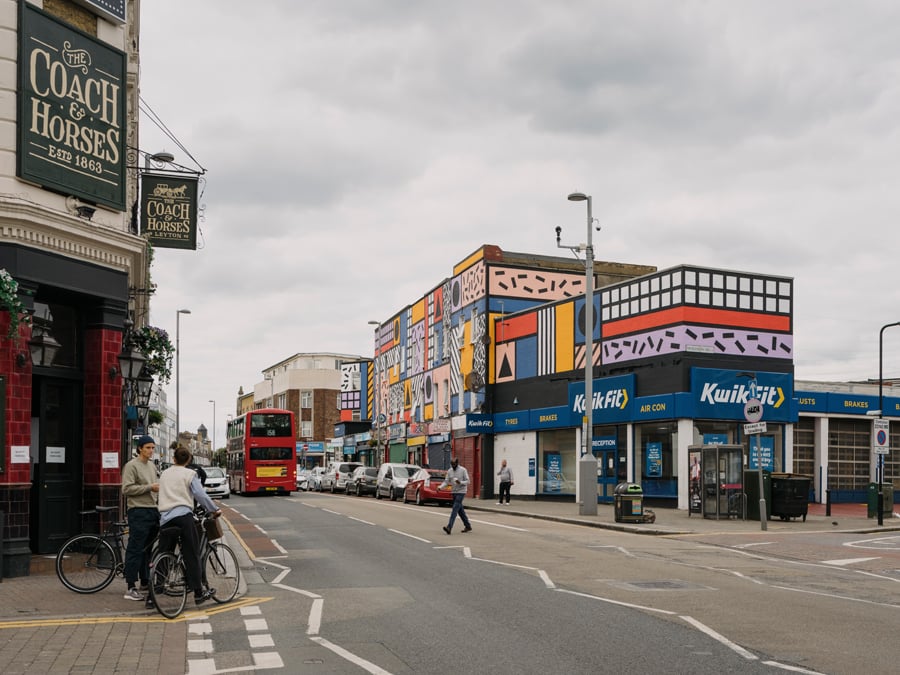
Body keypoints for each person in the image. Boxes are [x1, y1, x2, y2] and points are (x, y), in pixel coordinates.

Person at [157, 445, 222, 605]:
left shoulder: (164, 473)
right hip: (183, 517)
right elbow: (200, 495)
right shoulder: (190, 474)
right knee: (191, 553)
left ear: (173, 459)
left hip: (165, 518)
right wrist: (214, 509)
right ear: (188, 460)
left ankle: (156, 588)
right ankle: (199, 593)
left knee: (163, 552)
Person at [121, 435, 159, 603]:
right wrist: (149, 487)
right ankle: (130, 586)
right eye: (148, 448)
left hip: (152, 510)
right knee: (135, 548)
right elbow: (127, 489)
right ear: (140, 449)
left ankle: (145, 581)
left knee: (148, 549)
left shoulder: (151, 466)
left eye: (152, 448)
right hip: (138, 511)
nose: (151, 451)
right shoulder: (131, 466)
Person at [439, 457, 472, 535]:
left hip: (461, 492)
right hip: (454, 492)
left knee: (455, 509)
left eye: (454, 464)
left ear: (457, 463)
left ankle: (449, 527)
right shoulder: (449, 471)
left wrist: (460, 482)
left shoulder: (463, 470)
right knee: (460, 511)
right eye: (452, 464)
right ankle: (468, 525)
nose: (453, 466)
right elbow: (446, 482)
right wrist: (440, 487)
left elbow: (468, 481)